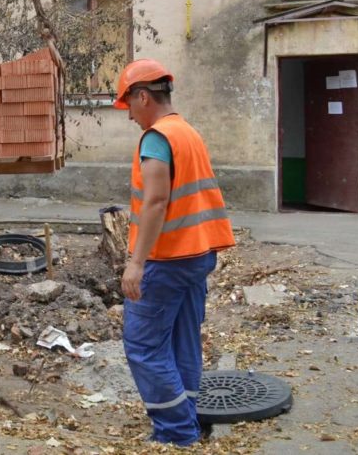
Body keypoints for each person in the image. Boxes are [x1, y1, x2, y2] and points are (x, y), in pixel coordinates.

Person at [112, 59, 236, 446]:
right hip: (197, 256)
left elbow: (156, 201)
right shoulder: (188, 133)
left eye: (129, 105)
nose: (129, 115)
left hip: (165, 260)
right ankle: (188, 417)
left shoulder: (156, 138)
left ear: (143, 96)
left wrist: (136, 263)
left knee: (144, 345)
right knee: (183, 339)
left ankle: (176, 432)